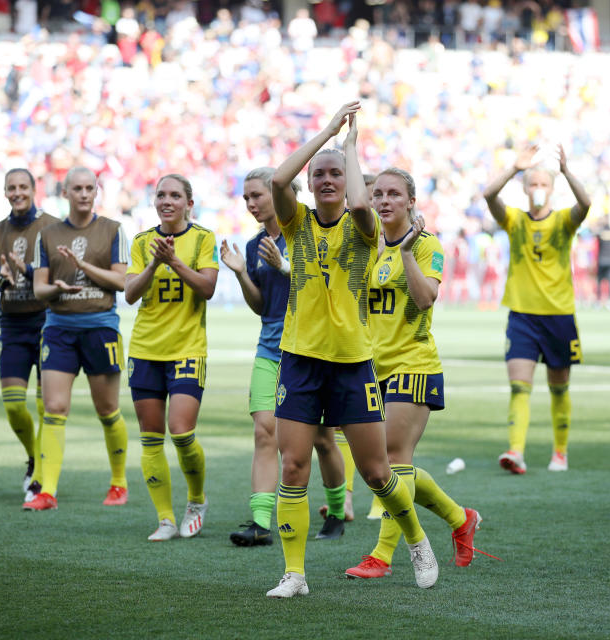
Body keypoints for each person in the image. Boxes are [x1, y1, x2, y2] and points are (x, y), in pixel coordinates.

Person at [265, 102, 436, 598]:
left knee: (378, 472)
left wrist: (350, 146)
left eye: (335, 174)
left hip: (353, 364)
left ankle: (418, 541)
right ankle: (294, 574)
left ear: (347, 178)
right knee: (294, 466)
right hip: (298, 360)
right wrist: (325, 136)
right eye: (318, 174)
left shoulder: (363, 228)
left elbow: (362, 204)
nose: (326, 180)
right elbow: (279, 180)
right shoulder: (295, 222)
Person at [344, 167, 481, 580]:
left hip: (413, 363)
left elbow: (425, 300)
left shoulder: (426, 245)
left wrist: (405, 253)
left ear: (411, 202)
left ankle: (383, 555)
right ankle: (460, 518)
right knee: (379, 466)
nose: (384, 201)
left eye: (394, 194)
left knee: (391, 459)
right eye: (378, 194)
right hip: (370, 367)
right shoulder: (364, 246)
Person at [221, 167, 350, 547]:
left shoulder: (310, 233)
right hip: (270, 347)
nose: (251, 204)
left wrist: (285, 267)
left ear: (283, 194)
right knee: (265, 431)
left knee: (323, 439)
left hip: (312, 348)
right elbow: (262, 307)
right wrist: (243, 275)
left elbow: (326, 285)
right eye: (246, 198)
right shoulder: (254, 245)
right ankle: (261, 521)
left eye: (257, 195)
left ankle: (338, 512)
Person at [23, 167, 130, 511]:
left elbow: (121, 282)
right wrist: (56, 287)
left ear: (96, 191)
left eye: (90, 188)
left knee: (107, 410)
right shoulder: (48, 234)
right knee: (54, 408)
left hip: (101, 328)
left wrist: (84, 265)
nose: (84, 194)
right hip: (59, 329)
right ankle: (47, 492)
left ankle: (118, 483)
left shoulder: (113, 229)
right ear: (65, 192)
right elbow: (39, 288)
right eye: (77, 188)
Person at [482, 144, 591, 474]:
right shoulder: (515, 220)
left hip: (558, 315)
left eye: (544, 184)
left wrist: (568, 172)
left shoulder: (562, 222)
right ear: (525, 189)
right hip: (522, 315)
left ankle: (560, 452)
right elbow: (489, 195)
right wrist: (514, 168)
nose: (538, 190)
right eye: (533, 184)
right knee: (519, 386)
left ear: (552, 189)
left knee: (559, 388)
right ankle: (516, 451)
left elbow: (585, 204)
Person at [125, 174, 218, 540]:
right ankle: (165, 518)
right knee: (150, 438)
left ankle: (196, 500)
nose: (167, 200)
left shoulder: (203, 237)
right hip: (146, 350)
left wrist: (174, 261)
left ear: (188, 203)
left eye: (175, 195)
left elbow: (207, 288)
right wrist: (153, 264)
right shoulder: (142, 241)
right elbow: (130, 294)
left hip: (187, 349)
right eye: (161, 194)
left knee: (181, 432)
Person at [0, 169, 59, 496]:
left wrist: (27, 271)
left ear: (33, 189)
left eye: (23, 187)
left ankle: (40, 475)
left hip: (47, 323)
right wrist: (1, 277)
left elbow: (62, 271)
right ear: (5, 192)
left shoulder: (53, 226)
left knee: (45, 407)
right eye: (11, 188)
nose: (17, 192)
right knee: (14, 406)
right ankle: (33, 455)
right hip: (12, 325)